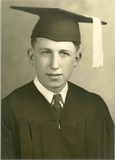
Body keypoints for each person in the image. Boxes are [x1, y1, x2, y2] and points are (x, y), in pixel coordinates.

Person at [1, 6, 114, 159]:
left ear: (77, 59)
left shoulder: (94, 107)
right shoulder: (9, 110)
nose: (54, 64)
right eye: (46, 52)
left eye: (64, 53)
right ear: (31, 56)